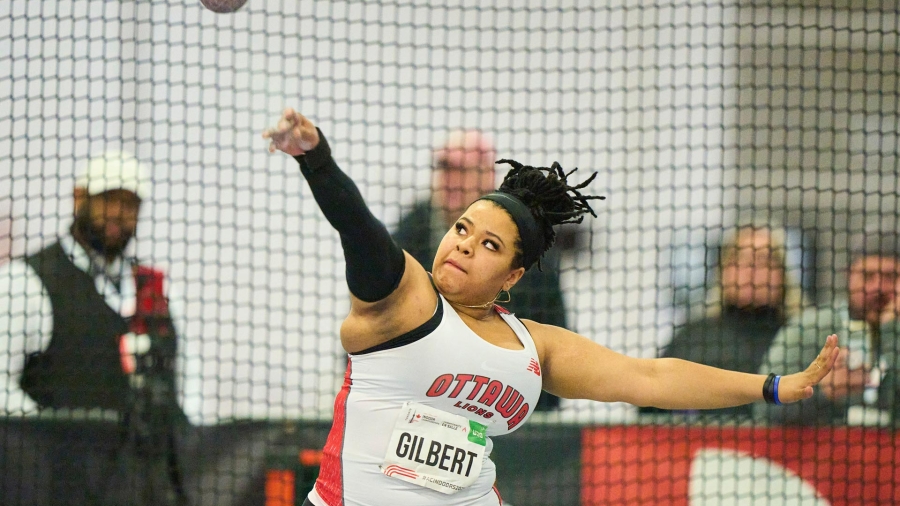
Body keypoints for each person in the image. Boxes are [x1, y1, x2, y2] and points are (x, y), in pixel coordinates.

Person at [262, 108, 839, 506]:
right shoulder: (404, 297)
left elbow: (651, 378)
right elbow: (358, 228)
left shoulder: (533, 345)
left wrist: (770, 386)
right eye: (462, 228)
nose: (462, 242)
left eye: (488, 243)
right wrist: (316, 158)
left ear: (513, 274)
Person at [0, 152, 189, 505]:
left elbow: (188, 396)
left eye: (129, 203)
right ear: (79, 198)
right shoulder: (25, 282)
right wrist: (51, 435)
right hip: (55, 490)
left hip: (145, 491)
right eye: (108, 200)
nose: (118, 212)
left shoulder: (159, 293)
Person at [393, 129, 569, 411]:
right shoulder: (409, 236)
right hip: (420, 404)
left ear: (487, 176)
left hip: (504, 406)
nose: (450, 180)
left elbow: (552, 349)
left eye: (462, 171)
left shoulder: (526, 246)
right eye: (444, 168)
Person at [643, 225, 809, 420]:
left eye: (763, 260)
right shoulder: (693, 336)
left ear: (782, 274)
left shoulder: (803, 337)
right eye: (740, 258)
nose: (751, 269)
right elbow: (649, 407)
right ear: (724, 269)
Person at [756, 231, 900, 426]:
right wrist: (822, 392)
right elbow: (763, 405)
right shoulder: (809, 331)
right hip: (816, 452)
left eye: (891, 277)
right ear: (848, 275)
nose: (878, 287)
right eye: (868, 276)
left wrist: (891, 331)